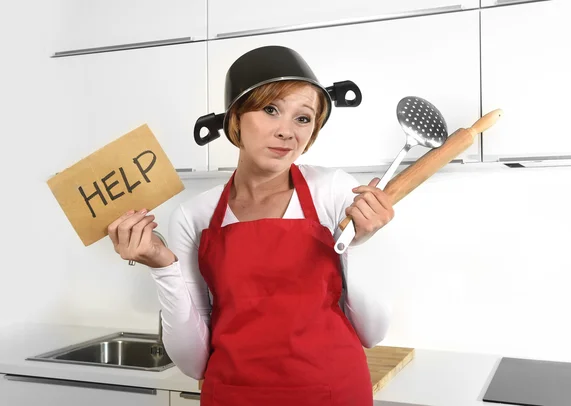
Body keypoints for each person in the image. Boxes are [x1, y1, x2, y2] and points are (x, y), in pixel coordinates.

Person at [108, 46, 394, 406]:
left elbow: (373, 332)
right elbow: (193, 363)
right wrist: (163, 267)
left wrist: (360, 244)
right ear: (236, 118)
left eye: (303, 119)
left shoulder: (335, 190)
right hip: (233, 395)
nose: (287, 132)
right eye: (271, 110)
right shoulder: (195, 215)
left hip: (332, 392)